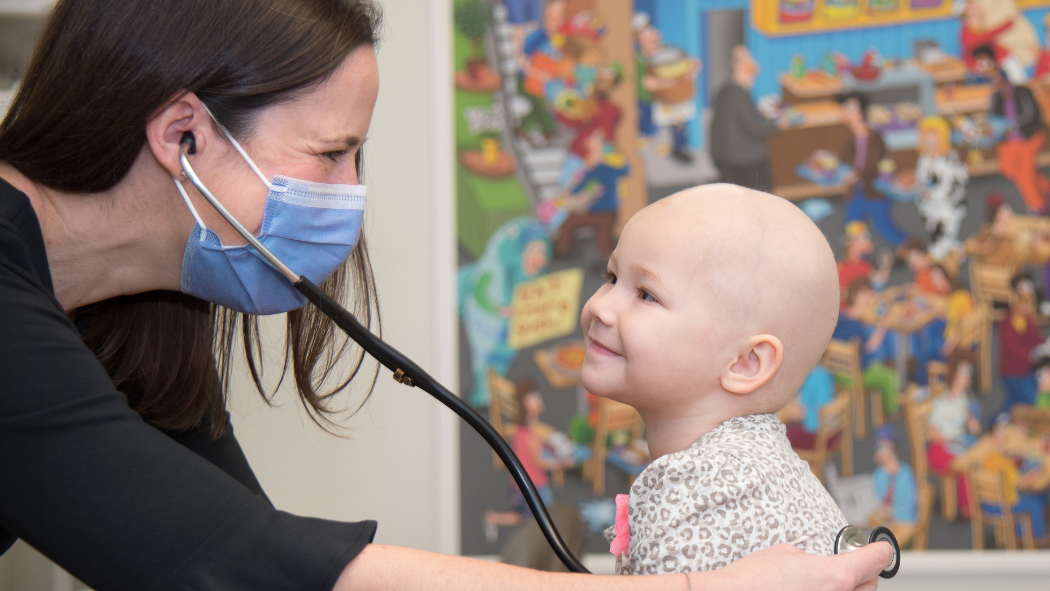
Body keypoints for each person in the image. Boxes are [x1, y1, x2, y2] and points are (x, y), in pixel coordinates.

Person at [0, 1, 895, 589]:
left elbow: (249, 552)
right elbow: (231, 560)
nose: (351, 193)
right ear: (186, 135)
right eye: (331, 153)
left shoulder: (140, 329)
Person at [582, 184, 848, 574]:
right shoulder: (751, 469)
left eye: (646, 295)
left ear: (744, 363)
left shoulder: (698, 491)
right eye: (611, 276)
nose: (600, 306)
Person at [459, 218, 551, 406]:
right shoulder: (493, 271)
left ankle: (488, 393)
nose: (540, 259)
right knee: (486, 362)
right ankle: (482, 394)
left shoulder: (520, 278)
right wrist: (498, 310)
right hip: (486, 324)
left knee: (499, 361)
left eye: (542, 252)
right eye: (534, 251)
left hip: (507, 328)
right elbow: (480, 294)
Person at [485, 380, 573, 542]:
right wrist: (561, 463)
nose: (539, 401)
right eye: (535, 398)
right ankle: (494, 518)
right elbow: (539, 462)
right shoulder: (529, 435)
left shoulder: (522, 431)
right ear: (525, 403)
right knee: (541, 519)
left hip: (524, 484)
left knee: (524, 516)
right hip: (533, 485)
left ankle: (493, 518)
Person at [973, 44, 1049, 214]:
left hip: (1029, 136)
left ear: (1005, 78)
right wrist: (991, 128)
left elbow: (1031, 116)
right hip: (1009, 140)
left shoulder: (1023, 92)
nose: (997, 85)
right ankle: (1045, 187)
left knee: (1024, 170)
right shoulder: (995, 97)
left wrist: (1014, 126)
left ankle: (1037, 207)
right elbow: (993, 119)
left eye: (999, 80)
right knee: (1008, 168)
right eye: (994, 83)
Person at [837, 92, 908, 248]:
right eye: (845, 109)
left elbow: (874, 164)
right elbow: (844, 159)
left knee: (883, 227)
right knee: (852, 226)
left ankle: (908, 247)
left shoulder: (875, 138)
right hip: (857, 191)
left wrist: (855, 174)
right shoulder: (851, 139)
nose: (847, 113)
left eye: (851, 109)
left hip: (876, 191)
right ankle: (858, 255)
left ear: (862, 111)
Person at [710, 46, 778, 191]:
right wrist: (778, 124)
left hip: (722, 155)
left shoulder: (723, 90)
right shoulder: (739, 95)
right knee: (763, 192)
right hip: (743, 159)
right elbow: (754, 128)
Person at [834, 278, 900, 418]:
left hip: (837, 371)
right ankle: (891, 415)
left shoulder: (841, 318)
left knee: (878, 365)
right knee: (890, 377)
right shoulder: (856, 326)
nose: (870, 301)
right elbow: (870, 347)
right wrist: (883, 326)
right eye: (868, 296)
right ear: (858, 297)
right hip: (853, 375)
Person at [927, 354, 982, 520]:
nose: (966, 378)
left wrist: (972, 423)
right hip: (939, 448)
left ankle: (980, 498)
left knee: (979, 456)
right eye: (963, 373)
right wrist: (950, 440)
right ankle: (967, 509)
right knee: (965, 465)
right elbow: (932, 433)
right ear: (954, 375)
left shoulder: (966, 400)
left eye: (968, 374)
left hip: (959, 444)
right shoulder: (941, 402)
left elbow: (973, 428)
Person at [915, 115, 968, 261]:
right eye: (927, 139)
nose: (930, 143)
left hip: (948, 203)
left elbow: (949, 185)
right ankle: (947, 248)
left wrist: (932, 193)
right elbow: (920, 177)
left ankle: (946, 251)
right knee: (933, 228)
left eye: (934, 139)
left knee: (947, 231)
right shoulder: (924, 159)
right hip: (930, 205)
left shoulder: (947, 160)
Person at [1000, 273, 1044, 411]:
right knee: (1036, 403)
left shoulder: (1028, 316)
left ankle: (1000, 419)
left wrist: (1043, 344)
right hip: (1014, 373)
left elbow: (1034, 338)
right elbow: (1013, 346)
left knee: (1014, 401)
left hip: (1027, 370)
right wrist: (1031, 354)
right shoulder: (1010, 319)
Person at [869, 426, 917, 528]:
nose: (880, 452)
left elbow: (909, 503)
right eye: (878, 448)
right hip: (883, 519)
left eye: (884, 447)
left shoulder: (905, 473)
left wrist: (893, 511)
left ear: (893, 447)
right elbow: (876, 496)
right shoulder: (878, 474)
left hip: (903, 520)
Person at [837, 221, 893, 301]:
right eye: (860, 240)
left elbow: (879, 281)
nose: (865, 243)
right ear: (850, 244)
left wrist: (886, 264)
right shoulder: (840, 267)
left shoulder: (864, 266)